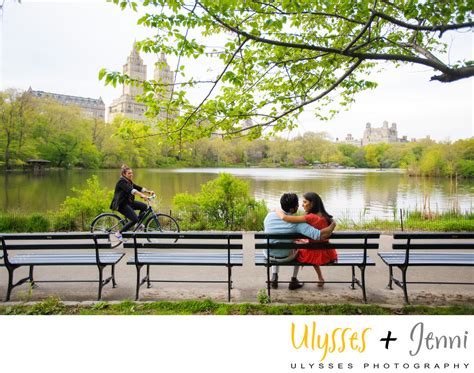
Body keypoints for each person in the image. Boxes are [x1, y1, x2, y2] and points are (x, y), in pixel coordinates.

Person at [264, 193, 336, 290]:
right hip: (285, 257)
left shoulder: (269, 216)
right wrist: (332, 225)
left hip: (268, 254)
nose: (300, 206)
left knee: (276, 244)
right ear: (292, 209)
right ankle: (294, 279)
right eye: (297, 205)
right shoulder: (298, 224)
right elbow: (318, 235)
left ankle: (274, 276)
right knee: (300, 249)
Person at [110, 165, 155, 241]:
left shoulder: (128, 181)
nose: (131, 175)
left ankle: (138, 224)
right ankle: (119, 233)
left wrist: (148, 191)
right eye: (129, 173)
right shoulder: (121, 182)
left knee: (144, 207)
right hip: (121, 205)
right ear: (124, 174)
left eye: (131, 173)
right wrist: (142, 195)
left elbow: (137, 187)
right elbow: (132, 191)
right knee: (134, 219)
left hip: (128, 202)